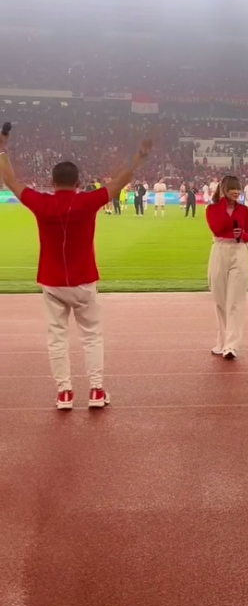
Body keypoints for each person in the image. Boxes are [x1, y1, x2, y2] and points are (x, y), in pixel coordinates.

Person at [0, 126, 152, 409]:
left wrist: (2, 149)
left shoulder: (41, 203)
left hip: (52, 280)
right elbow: (120, 182)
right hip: (83, 280)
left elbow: (9, 180)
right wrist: (139, 158)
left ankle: (64, 393)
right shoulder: (87, 201)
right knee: (92, 336)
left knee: (56, 338)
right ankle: (95, 391)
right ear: (78, 181)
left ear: (52, 181)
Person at [206, 175, 248, 360]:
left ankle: (232, 345)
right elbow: (217, 228)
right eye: (232, 189)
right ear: (224, 189)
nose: (236, 192)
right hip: (220, 250)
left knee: (235, 301)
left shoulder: (243, 210)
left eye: (238, 189)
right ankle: (222, 341)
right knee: (220, 300)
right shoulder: (212, 209)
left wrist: (242, 233)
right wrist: (224, 205)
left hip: (240, 251)